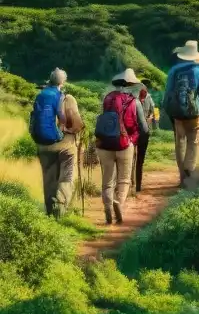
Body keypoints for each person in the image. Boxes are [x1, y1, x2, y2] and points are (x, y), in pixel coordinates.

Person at [95, 69, 148, 224]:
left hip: (105, 144)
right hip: (124, 144)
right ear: (129, 84)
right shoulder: (133, 101)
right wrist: (134, 139)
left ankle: (107, 207)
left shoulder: (107, 99)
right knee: (124, 180)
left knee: (107, 181)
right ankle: (118, 203)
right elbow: (142, 128)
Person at [32, 68, 84, 218]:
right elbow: (77, 124)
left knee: (48, 177)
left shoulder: (41, 97)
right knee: (67, 176)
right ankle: (60, 209)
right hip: (65, 146)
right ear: (63, 81)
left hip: (43, 145)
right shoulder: (68, 98)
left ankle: (49, 211)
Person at [163, 40, 199, 188]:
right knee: (194, 142)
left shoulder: (173, 71)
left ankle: (182, 177)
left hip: (177, 115)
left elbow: (167, 97)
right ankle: (189, 172)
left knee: (180, 143)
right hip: (196, 115)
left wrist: (173, 113)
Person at [135, 85, 156, 192]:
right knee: (132, 159)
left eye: (144, 95)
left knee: (140, 160)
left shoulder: (149, 98)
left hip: (145, 132)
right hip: (133, 132)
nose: (142, 98)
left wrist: (151, 117)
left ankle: (138, 185)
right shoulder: (133, 100)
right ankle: (131, 183)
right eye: (141, 95)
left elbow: (154, 111)